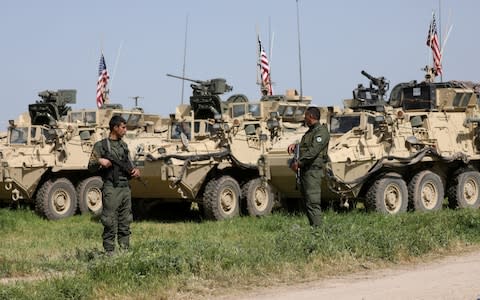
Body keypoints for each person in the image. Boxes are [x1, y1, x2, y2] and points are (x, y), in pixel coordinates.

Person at [88, 115, 140, 255]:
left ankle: (124, 251)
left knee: (125, 221)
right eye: (123, 127)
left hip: (125, 188)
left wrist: (135, 171)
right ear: (115, 128)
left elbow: (129, 165)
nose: (125, 130)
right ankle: (109, 253)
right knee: (109, 221)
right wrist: (100, 161)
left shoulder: (124, 145)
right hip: (111, 187)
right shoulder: (101, 145)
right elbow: (90, 166)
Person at [288, 107, 330, 228]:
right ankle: (313, 227)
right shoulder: (310, 132)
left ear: (311, 116)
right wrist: (296, 146)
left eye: (305, 116)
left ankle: (318, 231)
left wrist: (299, 163)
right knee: (307, 202)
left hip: (313, 172)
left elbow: (313, 151)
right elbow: (305, 147)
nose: (304, 119)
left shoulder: (321, 132)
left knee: (313, 202)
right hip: (306, 172)